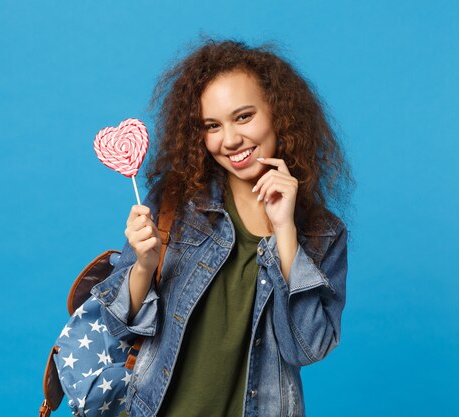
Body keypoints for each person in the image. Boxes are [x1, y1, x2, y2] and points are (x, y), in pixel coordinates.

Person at [90, 38, 354, 417]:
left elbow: (306, 348)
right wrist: (144, 267)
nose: (230, 140)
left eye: (244, 116)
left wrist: (285, 233)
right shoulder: (174, 203)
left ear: (280, 114)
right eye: (212, 125)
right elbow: (121, 327)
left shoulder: (323, 234)